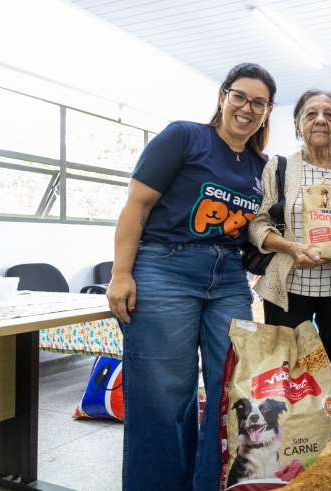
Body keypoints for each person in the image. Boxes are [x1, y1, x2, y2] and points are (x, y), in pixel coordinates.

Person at [106, 63, 276, 491]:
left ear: (267, 111)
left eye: (259, 102)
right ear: (222, 96)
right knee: (164, 395)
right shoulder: (185, 136)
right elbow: (136, 206)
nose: (247, 107)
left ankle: (210, 485)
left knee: (233, 390)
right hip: (165, 268)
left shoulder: (262, 166)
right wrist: (121, 274)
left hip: (229, 278)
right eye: (240, 96)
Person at [249, 89, 331, 418]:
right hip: (288, 291)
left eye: (330, 114)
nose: (320, 119)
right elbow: (258, 225)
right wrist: (290, 247)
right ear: (297, 125)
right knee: (285, 379)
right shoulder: (280, 168)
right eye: (311, 114)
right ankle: (290, 455)